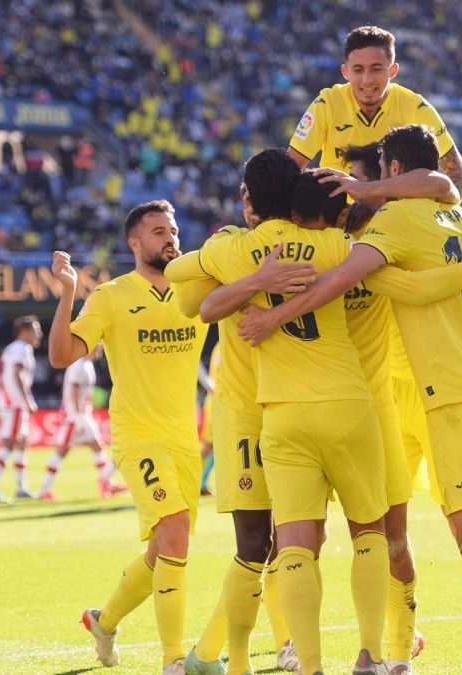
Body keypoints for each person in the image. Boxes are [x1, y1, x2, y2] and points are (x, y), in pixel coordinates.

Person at [238, 126, 462, 675]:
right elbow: (438, 208)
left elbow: (352, 279)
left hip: (444, 393)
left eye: (362, 182)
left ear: (389, 175)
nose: (353, 194)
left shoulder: (388, 228)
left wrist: (270, 312)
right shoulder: (456, 218)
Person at [166, 175, 321, 675]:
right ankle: (235, 657)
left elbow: (184, 286)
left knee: (287, 539)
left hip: (288, 404)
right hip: (245, 409)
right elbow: (192, 304)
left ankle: (223, 652)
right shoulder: (231, 246)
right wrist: (251, 281)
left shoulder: (245, 246)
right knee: (257, 543)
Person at [49, 200, 209, 674]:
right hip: (139, 436)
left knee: (164, 551)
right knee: (176, 534)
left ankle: (104, 620)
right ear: (135, 243)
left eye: (174, 230)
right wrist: (68, 294)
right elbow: (61, 355)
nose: (170, 239)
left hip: (185, 440)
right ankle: (173, 660)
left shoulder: (197, 288)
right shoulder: (113, 296)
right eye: (159, 232)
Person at [288, 25, 462, 201]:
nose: (367, 80)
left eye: (376, 69)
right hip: (338, 224)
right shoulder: (328, 104)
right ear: (345, 72)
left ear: (393, 70)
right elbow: (290, 168)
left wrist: (445, 215)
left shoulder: (415, 107)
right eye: (358, 70)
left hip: (395, 224)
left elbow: (457, 172)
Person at [38, 343, 126, 501]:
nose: (100, 350)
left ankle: (107, 482)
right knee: (61, 451)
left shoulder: (87, 365)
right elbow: (73, 393)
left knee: (97, 447)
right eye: (97, 347)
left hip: (83, 414)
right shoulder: (79, 365)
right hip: (73, 417)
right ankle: (44, 490)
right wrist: (77, 417)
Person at [0, 315, 42, 503]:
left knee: (22, 442)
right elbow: (17, 375)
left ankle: (21, 487)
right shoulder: (22, 349)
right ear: (24, 331)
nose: (39, 334)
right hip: (15, 404)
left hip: (6, 402)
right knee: (9, 443)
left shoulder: (10, 349)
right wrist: (27, 401)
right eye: (35, 329)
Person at [197, 357, 216, 497]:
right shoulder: (221, 348)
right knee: (209, 446)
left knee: (216, 447)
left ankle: (201, 483)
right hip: (216, 403)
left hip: (217, 401)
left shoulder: (220, 346)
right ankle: (198, 482)